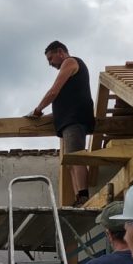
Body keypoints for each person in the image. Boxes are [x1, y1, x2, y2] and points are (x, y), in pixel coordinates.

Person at [30, 41, 94, 206]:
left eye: (50, 58)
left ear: (60, 51)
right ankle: (79, 197)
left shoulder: (70, 62)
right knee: (70, 162)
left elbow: (53, 91)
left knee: (76, 157)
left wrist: (38, 110)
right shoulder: (69, 68)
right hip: (69, 120)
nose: (50, 63)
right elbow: (65, 100)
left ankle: (83, 196)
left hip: (74, 119)